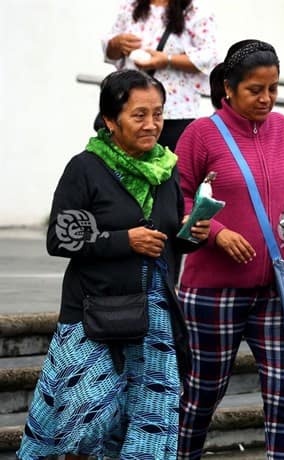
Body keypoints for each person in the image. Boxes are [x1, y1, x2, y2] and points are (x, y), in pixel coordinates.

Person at [17, 69, 209, 459]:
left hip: (153, 322)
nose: (152, 124)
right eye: (139, 115)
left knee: (147, 426)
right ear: (110, 119)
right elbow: (62, 238)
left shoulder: (165, 170)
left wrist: (190, 236)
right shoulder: (86, 168)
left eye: (157, 114)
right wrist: (126, 240)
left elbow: (168, 239)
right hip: (93, 316)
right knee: (84, 424)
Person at [175, 39, 284, 460]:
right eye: (256, 89)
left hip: (278, 285)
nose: (267, 98)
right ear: (229, 89)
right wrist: (217, 232)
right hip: (212, 290)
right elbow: (178, 199)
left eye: (273, 88)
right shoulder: (201, 134)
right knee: (204, 391)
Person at [103, 0, 219, 151]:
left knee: (168, 167)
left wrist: (167, 60)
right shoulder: (131, 6)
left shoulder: (195, 10)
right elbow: (111, 54)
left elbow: (210, 56)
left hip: (175, 111)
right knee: (121, 166)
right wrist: (116, 44)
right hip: (129, 109)